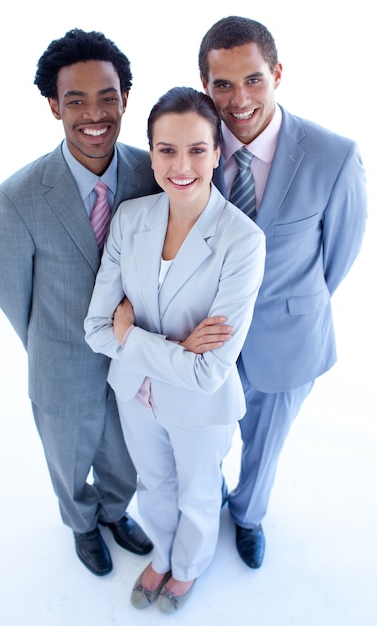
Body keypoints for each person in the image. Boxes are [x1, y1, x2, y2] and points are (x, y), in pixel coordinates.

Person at [0, 28, 162, 576]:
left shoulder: (155, 173)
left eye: (107, 96)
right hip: (61, 361)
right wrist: (52, 342)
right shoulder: (16, 198)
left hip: (136, 358)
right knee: (68, 459)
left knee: (127, 456)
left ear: (126, 99)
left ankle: (113, 510)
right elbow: (11, 293)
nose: (95, 113)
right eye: (76, 99)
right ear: (53, 106)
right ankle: (82, 524)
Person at [84, 86, 265, 612]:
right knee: (154, 483)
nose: (181, 165)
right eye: (166, 150)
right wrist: (174, 348)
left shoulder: (242, 241)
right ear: (151, 151)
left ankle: (188, 567)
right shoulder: (130, 218)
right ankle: (162, 554)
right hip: (135, 393)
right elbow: (97, 328)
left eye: (196, 150)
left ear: (216, 152)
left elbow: (209, 372)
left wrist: (132, 338)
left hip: (199, 407)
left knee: (199, 492)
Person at [197, 15, 367, 569]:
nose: (239, 99)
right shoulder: (190, 148)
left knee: (265, 446)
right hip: (205, 335)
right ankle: (209, 498)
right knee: (205, 436)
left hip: (290, 335)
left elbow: (338, 255)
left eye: (253, 80)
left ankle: (247, 515)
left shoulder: (333, 155)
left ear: (277, 73)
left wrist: (293, 305)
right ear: (206, 86)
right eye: (222, 84)